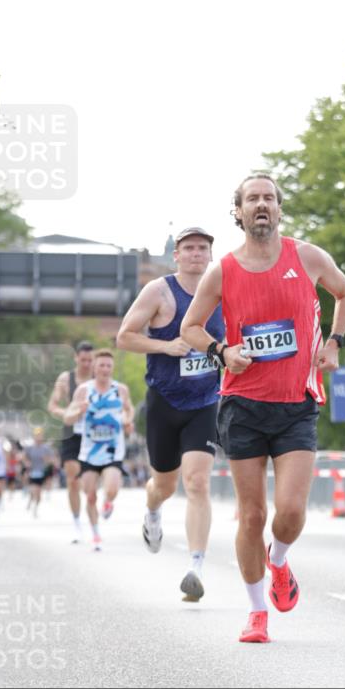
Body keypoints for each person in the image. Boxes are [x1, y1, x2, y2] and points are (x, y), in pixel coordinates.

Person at [181, 174, 345, 642]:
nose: (261, 204)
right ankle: (257, 612)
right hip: (242, 405)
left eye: (268, 198)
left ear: (279, 209)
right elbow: (190, 327)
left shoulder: (308, 257)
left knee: (291, 512)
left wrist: (334, 343)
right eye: (251, 199)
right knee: (252, 515)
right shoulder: (222, 271)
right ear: (238, 212)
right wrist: (222, 352)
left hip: (297, 402)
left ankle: (278, 560)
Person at [116, 227, 224, 602]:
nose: (196, 253)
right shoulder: (159, 291)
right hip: (164, 401)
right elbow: (124, 337)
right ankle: (152, 511)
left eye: (202, 248)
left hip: (205, 401)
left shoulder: (225, 291)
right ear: (176, 256)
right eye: (189, 248)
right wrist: (165, 347)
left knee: (197, 482)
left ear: (211, 255)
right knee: (164, 485)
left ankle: (196, 567)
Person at [63, 348, 133, 551]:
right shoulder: (84, 390)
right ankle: (95, 534)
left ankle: (108, 502)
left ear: (112, 368)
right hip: (89, 452)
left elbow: (129, 409)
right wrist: (79, 410)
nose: (105, 369)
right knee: (90, 495)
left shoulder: (120, 389)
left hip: (112, 450)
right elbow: (67, 417)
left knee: (111, 489)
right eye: (101, 365)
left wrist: (127, 420)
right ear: (94, 367)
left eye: (108, 365)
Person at [48, 340, 95, 542]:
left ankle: (93, 522)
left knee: (89, 484)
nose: (86, 364)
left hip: (95, 434)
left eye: (90, 360)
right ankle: (77, 524)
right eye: (83, 360)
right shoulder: (66, 378)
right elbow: (52, 406)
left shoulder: (100, 377)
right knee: (73, 480)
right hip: (71, 432)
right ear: (76, 358)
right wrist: (68, 413)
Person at [23, 429, 54, 517]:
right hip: (32, 472)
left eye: (40, 436)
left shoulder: (46, 448)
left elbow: (51, 460)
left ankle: (35, 508)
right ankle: (31, 500)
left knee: (39, 494)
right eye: (37, 436)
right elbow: (24, 457)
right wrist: (27, 463)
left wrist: (46, 460)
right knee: (34, 490)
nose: (38, 438)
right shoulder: (30, 448)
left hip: (42, 473)